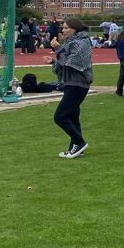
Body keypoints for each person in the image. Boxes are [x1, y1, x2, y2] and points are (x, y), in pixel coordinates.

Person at [44, 17, 93, 159]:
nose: (63, 30)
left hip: (79, 84)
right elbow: (63, 61)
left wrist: (57, 49)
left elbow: (71, 63)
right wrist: (53, 60)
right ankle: (76, 148)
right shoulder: (70, 42)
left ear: (75, 29)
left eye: (66, 28)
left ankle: (80, 142)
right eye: (63, 28)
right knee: (72, 116)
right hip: (70, 83)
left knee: (60, 116)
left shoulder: (81, 43)